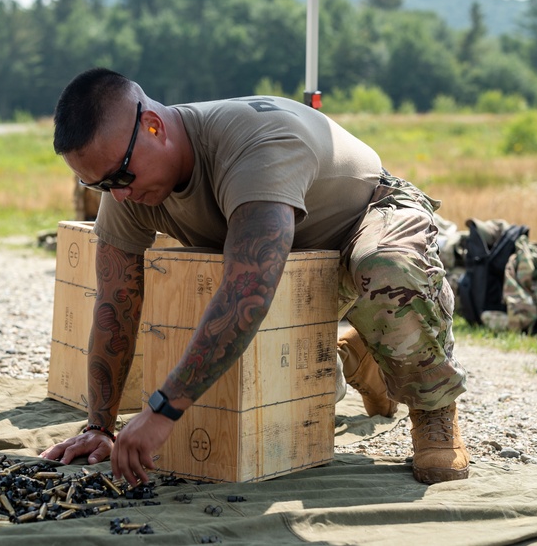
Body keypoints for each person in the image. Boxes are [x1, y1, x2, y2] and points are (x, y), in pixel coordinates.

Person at [40, 68, 469, 487]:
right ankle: (358, 355)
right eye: (99, 185)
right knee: (289, 390)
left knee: (387, 267)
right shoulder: (127, 179)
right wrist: (98, 424)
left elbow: (247, 294)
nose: (118, 194)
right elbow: (116, 304)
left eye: (119, 176)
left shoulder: (255, 143)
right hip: (293, 259)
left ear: (153, 127)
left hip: (366, 219)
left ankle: (433, 411)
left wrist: (161, 410)